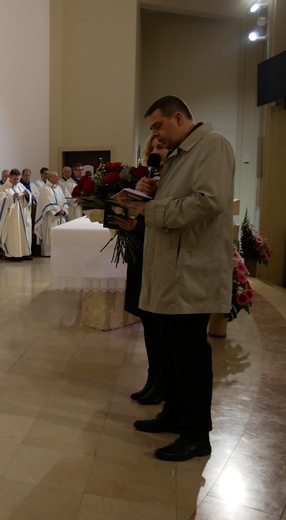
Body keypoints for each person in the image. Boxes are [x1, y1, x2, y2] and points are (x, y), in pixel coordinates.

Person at [129, 95, 235, 462]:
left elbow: (209, 201)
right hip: (170, 269)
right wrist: (151, 194)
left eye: (157, 125)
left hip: (192, 270)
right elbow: (180, 198)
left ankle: (196, 433)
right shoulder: (179, 154)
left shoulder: (213, 145)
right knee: (172, 352)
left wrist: (154, 209)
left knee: (190, 354)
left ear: (178, 117)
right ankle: (173, 413)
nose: (154, 134)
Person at [115, 136, 168, 406]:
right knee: (149, 323)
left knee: (161, 328)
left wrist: (140, 224)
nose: (156, 152)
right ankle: (152, 378)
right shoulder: (147, 178)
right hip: (143, 256)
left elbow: (167, 225)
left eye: (162, 147)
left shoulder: (172, 181)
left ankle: (163, 382)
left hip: (161, 259)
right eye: (153, 149)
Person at [0, 168, 32, 261]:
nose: (17, 181)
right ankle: (13, 254)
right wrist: (12, 197)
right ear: (10, 177)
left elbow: (29, 198)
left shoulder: (20, 186)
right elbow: (1, 202)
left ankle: (25, 253)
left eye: (18, 179)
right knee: (14, 234)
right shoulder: (3, 188)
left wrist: (27, 195)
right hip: (12, 217)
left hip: (22, 216)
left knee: (24, 233)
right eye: (15, 179)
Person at [33, 171, 68, 257]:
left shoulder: (58, 188)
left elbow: (63, 200)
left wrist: (63, 210)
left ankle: (59, 252)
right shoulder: (45, 189)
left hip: (60, 216)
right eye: (55, 177)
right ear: (50, 178)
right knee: (49, 233)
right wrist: (57, 211)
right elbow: (48, 201)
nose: (57, 179)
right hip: (50, 216)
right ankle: (48, 253)